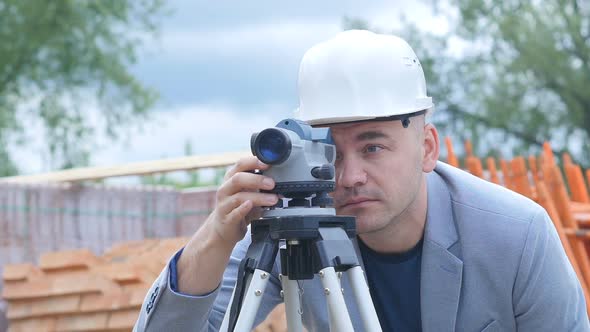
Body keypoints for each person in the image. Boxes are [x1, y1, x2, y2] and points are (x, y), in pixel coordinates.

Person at [134, 30, 589, 331]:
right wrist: (217, 233)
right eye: (332, 151)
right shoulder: (299, 229)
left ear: (427, 147)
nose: (349, 176)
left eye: (373, 147)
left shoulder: (516, 236)